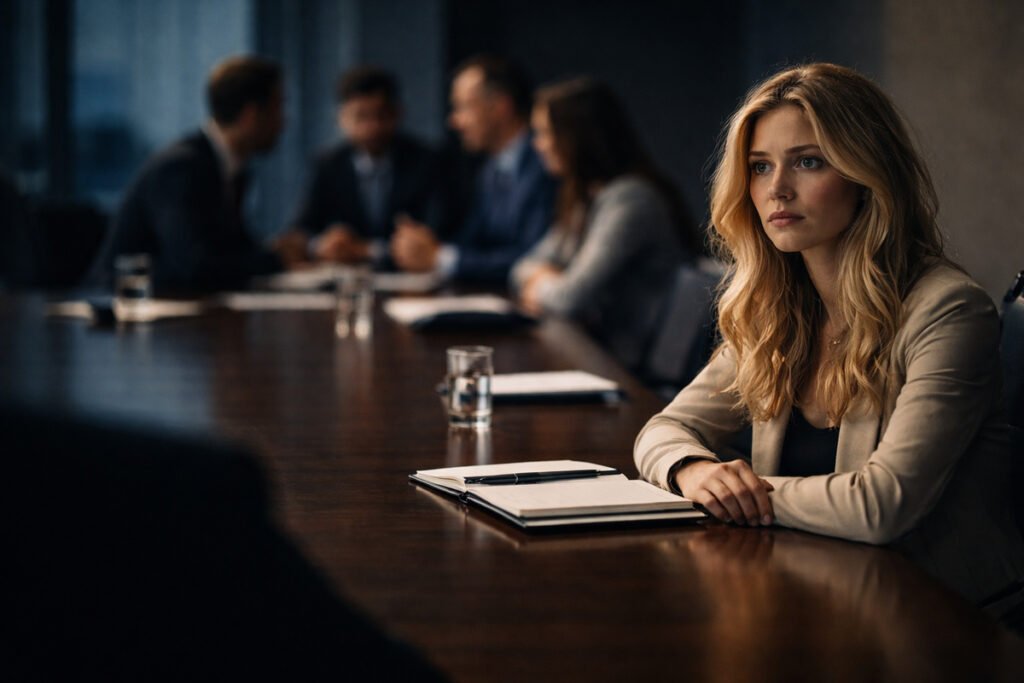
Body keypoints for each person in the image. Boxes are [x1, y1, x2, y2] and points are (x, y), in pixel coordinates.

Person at [634, 63, 1024, 625]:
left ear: (868, 175)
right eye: (760, 167)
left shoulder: (948, 311)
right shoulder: (777, 305)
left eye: (808, 162)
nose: (777, 189)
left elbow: (880, 506)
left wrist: (745, 492)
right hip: (814, 595)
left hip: (939, 618)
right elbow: (663, 431)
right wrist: (694, 472)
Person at [511, 78, 698, 369]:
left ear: (578, 136)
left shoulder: (631, 199)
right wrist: (546, 278)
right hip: (596, 352)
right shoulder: (584, 196)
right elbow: (522, 266)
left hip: (629, 367)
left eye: (546, 133)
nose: (538, 145)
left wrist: (542, 283)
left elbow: (569, 299)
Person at [91, 55, 308, 292]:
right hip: (125, 314)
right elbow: (195, 265)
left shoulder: (230, 168)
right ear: (250, 115)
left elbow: (233, 248)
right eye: (278, 107)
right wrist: (276, 259)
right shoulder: (181, 168)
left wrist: (279, 250)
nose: (284, 122)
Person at [390, 55, 556, 284]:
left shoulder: (547, 163)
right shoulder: (491, 169)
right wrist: (427, 247)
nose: (454, 121)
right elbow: (471, 241)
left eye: (463, 107)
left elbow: (532, 259)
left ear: (500, 107)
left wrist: (441, 258)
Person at [291, 66, 440, 268]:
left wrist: (367, 250)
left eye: (381, 115)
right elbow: (303, 229)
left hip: (411, 281)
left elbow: (438, 234)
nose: (372, 127)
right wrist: (322, 244)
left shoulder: (428, 162)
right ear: (341, 118)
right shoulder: (327, 164)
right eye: (360, 116)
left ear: (397, 114)